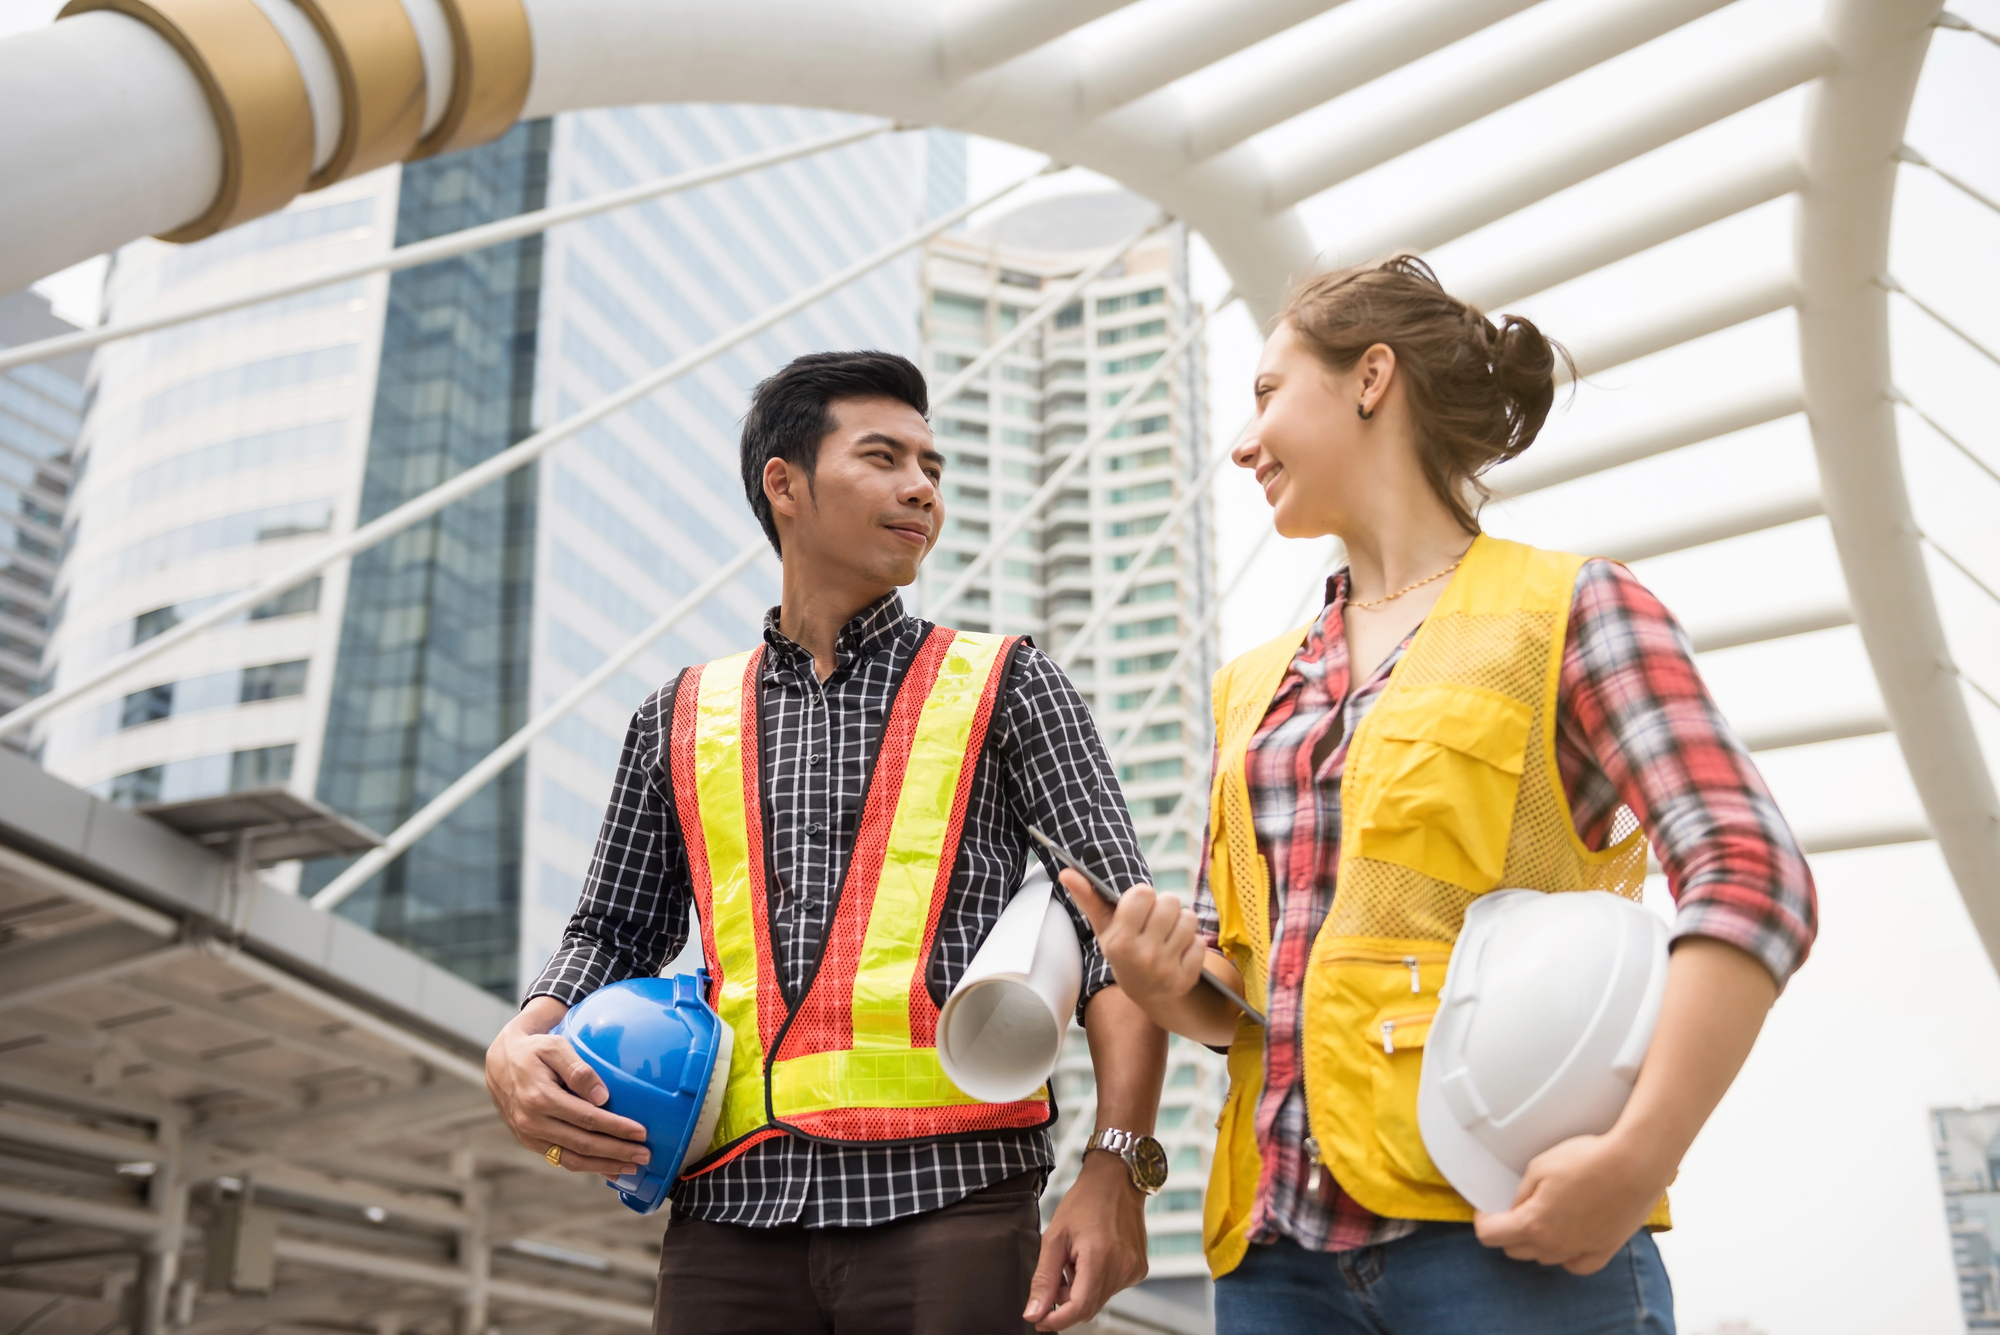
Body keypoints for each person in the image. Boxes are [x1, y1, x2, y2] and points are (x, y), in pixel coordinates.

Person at [1067, 257, 1818, 1334]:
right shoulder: (1250, 686)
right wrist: (1159, 977)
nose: (1240, 441)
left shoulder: (1570, 611)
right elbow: (1245, 993)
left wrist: (1638, 1154)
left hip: (1507, 1238)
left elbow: (1753, 874)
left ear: (1369, 377)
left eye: (1268, 393)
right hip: (1271, 1257)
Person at [485, 351, 1170, 1335]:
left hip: (954, 1200)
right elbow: (612, 931)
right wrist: (518, 1042)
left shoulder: (1007, 685)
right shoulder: (677, 718)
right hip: (728, 1210)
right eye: (883, 458)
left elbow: (1118, 936)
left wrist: (1114, 1171)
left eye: (932, 469)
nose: (919, 489)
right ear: (784, 485)